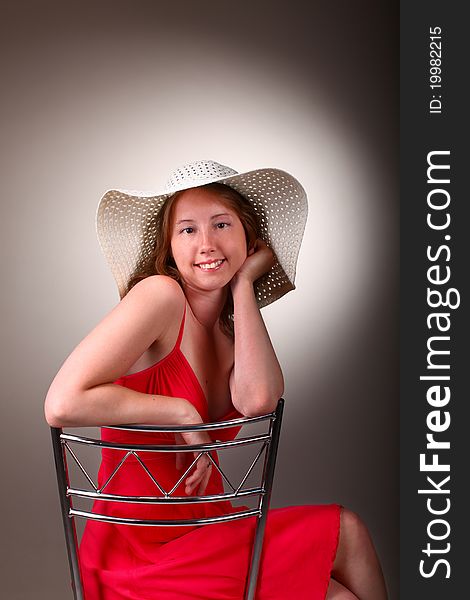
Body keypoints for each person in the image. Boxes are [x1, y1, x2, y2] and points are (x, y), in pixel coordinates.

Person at [45, 160, 388, 600]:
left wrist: (244, 283)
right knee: (339, 569)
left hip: (210, 530)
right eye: (187, 230)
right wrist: (181, 411)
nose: (207, 244)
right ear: (168, 249)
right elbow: (60, 403)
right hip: (141, 552)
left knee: (347, 543)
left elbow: (259, 399)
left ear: (248, 237)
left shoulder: (233, 330)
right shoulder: (159, 297)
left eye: (222, 225)